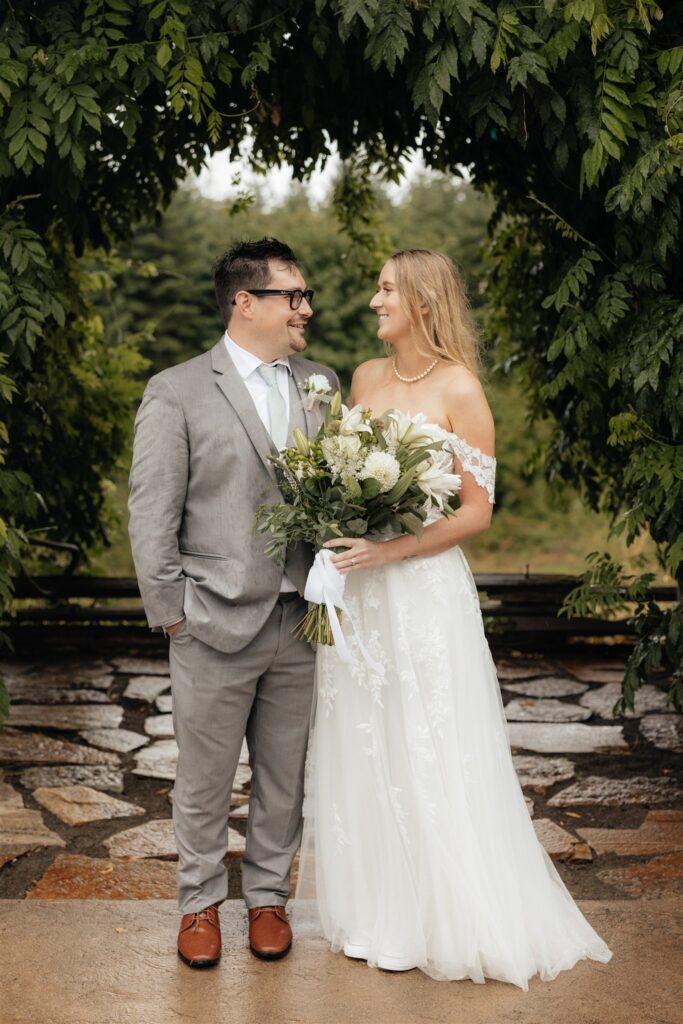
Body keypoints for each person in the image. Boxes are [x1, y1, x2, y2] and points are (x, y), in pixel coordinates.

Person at [295, 248, 612, 988]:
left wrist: (392, 548)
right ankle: (378, 914)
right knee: (365, 741)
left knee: (427, 742)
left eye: (385, 290)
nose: (373, 302)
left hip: (422, 592)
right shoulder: (364, 379)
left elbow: (477, 512)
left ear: (423, 303)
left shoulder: (461, 388)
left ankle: (441, 919)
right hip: (362, 592)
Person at [128, 238, 339, 968]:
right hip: (211, 618)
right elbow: (151, 513)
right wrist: (172, 614)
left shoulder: (320, 384)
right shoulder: (177, 390)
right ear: (245, 302)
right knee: (204, 779)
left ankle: (269, 898)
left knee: (285, 774)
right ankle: (198, 906)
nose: (305, 309)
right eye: (293, 296)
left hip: (301, 618)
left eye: (305, 296)